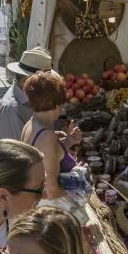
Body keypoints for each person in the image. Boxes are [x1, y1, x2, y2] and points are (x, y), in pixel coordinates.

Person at [21, 72, 82, 200]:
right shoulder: (48, 136)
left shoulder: (30, 124)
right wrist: (81, 179)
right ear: (57, 103)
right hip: (53, 211)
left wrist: (68, 141)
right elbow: (51, 192)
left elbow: (46, 158)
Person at [0, 46, 53, 141]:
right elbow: (16, 152)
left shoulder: (29, 97)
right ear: (25, 81)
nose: (46, 86)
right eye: (42, 82)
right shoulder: (11, 110)